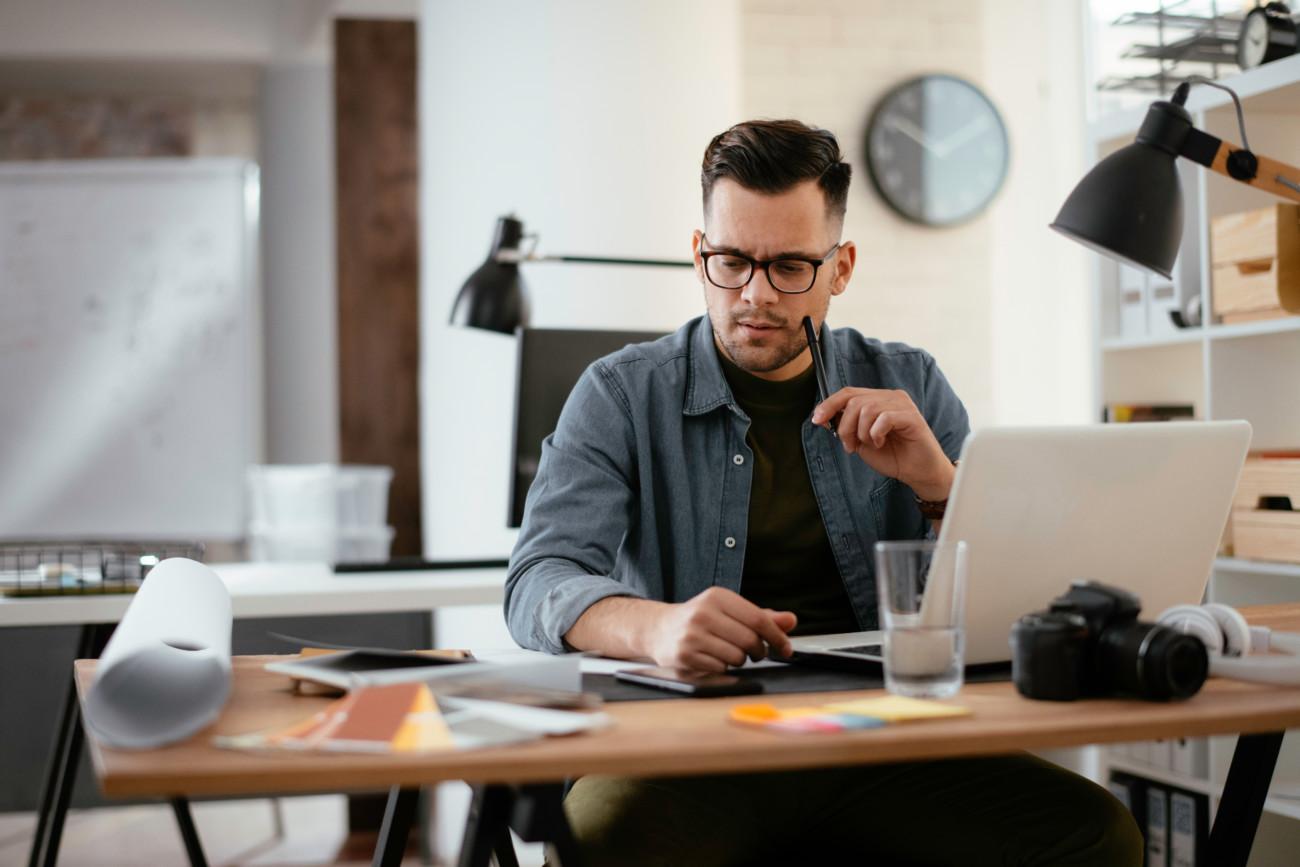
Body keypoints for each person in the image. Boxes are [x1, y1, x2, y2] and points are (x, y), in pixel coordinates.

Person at [505, 119, 1141, 866]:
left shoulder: (913, 383)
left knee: (1096, 835)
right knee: (602, 841)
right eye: (732, 262)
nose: (755, 294)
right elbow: (536, 580)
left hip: (885, 740)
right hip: (690, 750)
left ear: (840, 268)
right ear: (699, 253)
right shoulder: (619, 393)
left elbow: (1013, 602)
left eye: (790, 268)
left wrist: (940, 485)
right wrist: (656, 628)